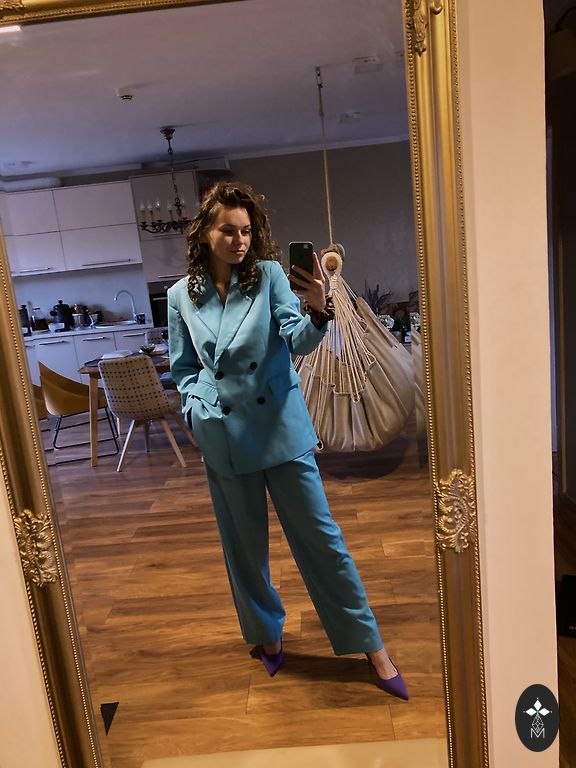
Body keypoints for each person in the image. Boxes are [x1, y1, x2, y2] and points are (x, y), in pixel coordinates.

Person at [167, 182, 408, 700]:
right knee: (244, 551)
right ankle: (267, 634)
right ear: (205, 233)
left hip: (279, 427)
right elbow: (183, 368)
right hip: (224, 435)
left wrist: (319, 309)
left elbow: (297, 338)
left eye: (246, 231)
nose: (240, 241)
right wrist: (197, 407)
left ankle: (371, 646)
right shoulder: (181, 295)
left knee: (323, 542)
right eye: (228, 230)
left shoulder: (270, 276)